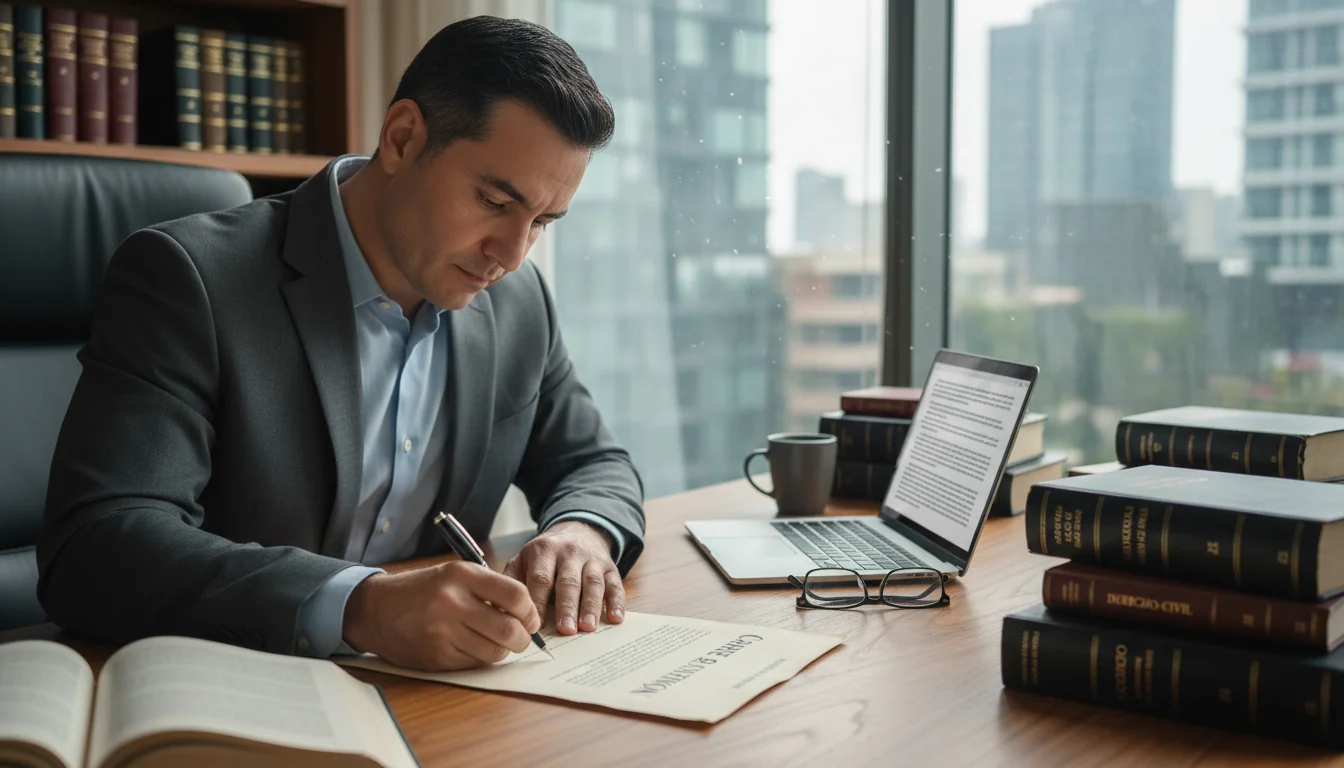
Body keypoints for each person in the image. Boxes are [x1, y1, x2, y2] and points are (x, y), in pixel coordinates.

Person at [37, 16, 644, 672]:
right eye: (496, 202)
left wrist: (582, 532)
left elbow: (593, 463)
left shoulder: (519, 303)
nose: (513, 254)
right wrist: (362, 605)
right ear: (403, 138)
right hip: (235, 680)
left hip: (436, 695)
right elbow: (96, 548)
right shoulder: (190, 280)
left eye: (542, 223)